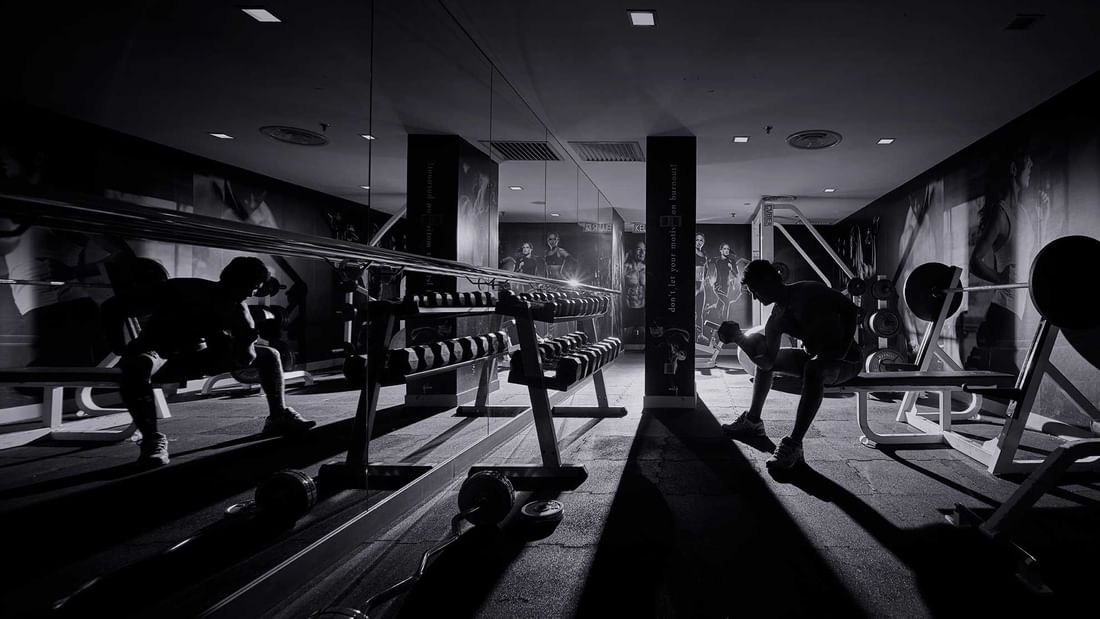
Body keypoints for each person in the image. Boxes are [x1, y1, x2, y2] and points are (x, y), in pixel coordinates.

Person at [118, 256, 315, 466]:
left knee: (270, 355)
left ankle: (278, 417)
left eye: (256, 288)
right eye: (251, 287)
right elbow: (112, 307)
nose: (252, 293)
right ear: (232, 280)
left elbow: (244, 360)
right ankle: (152, 440)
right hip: (160, 354)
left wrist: (246, 340)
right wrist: (119, 346)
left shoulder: (239, 310)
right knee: (139, 365)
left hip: (198, 358)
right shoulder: (181, 288)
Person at [716, 260, 861, 470]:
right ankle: (753, 422)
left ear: (768, 280)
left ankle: (794, 445)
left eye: (755, 290)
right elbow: (766, 363)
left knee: (814, 368)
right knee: (780, 361)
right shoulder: (776, 319)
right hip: (813, 358)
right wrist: (739, 338)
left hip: (847, 361)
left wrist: (842, 351)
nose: (755, 297)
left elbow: (850, 310)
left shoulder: (808, 290)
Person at [623, 241, 646, 310]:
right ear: (632, 251)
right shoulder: (625, 268)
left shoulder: (645, 268)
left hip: (643, 308)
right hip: (628, 309)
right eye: (639, 250)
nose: (642, 253)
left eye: (644, 250)